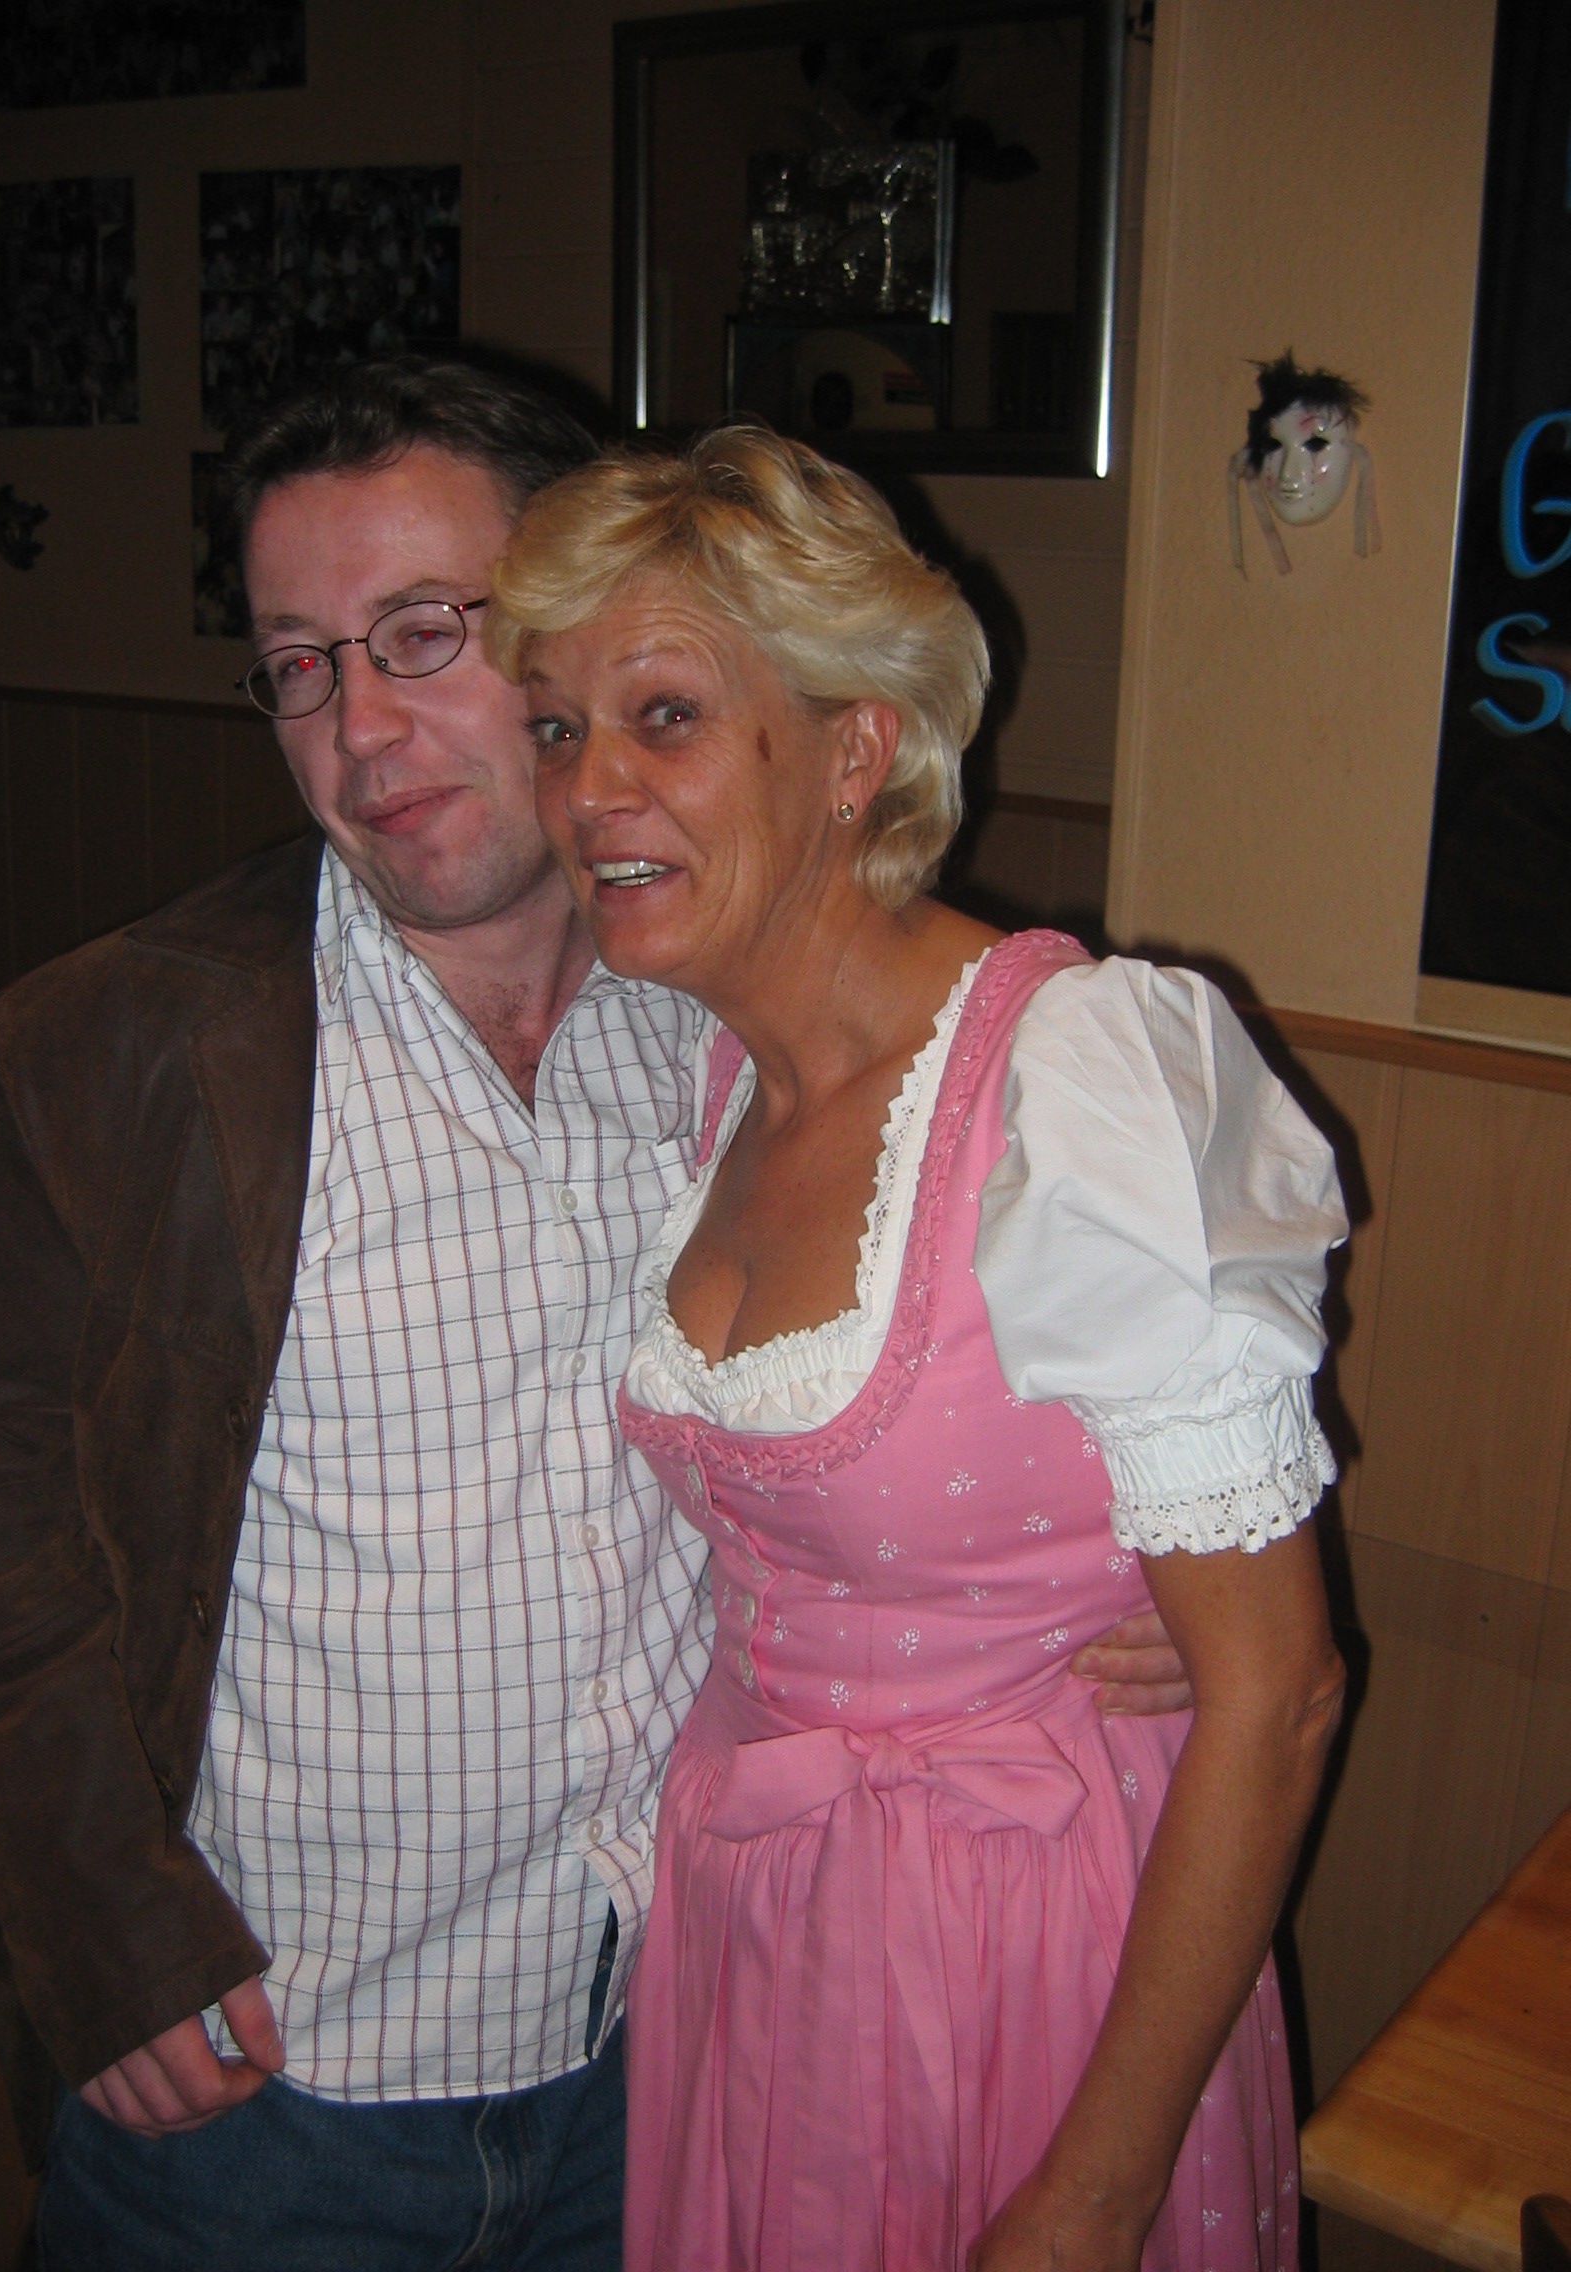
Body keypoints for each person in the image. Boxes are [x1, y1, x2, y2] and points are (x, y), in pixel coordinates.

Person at [0, 361, 1187, 2272]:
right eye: (301, 663)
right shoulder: (100, 1057)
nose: (362, 725)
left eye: (428, 632)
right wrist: (101, 1928)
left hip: (681, 2040)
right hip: (276, 2093)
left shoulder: (726, 1013)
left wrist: (1120, 1578)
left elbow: (928, 1384)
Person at [487, 423, 1351, 2272]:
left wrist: (1095, 2196)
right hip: (758, 1920)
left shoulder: (1080, 1081)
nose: (587, 790)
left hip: (1026, 1945)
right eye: (558, 728)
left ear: (853, 750)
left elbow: (1276, 1695)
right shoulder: (712, 1069)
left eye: (663, 717)